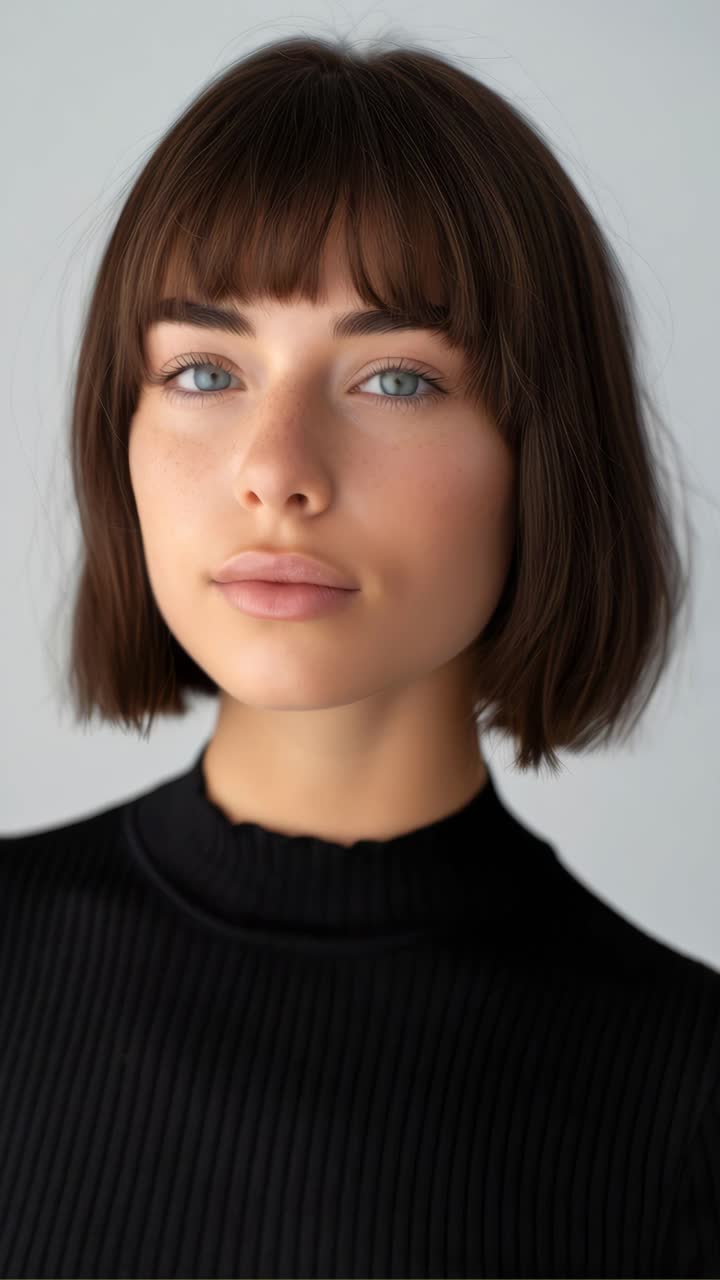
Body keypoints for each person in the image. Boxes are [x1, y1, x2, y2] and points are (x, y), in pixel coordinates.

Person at [2, 30, 716, 1279]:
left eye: (394, 379)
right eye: (206, 368)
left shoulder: (685, 1093)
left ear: (541, 455)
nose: (275, 468)